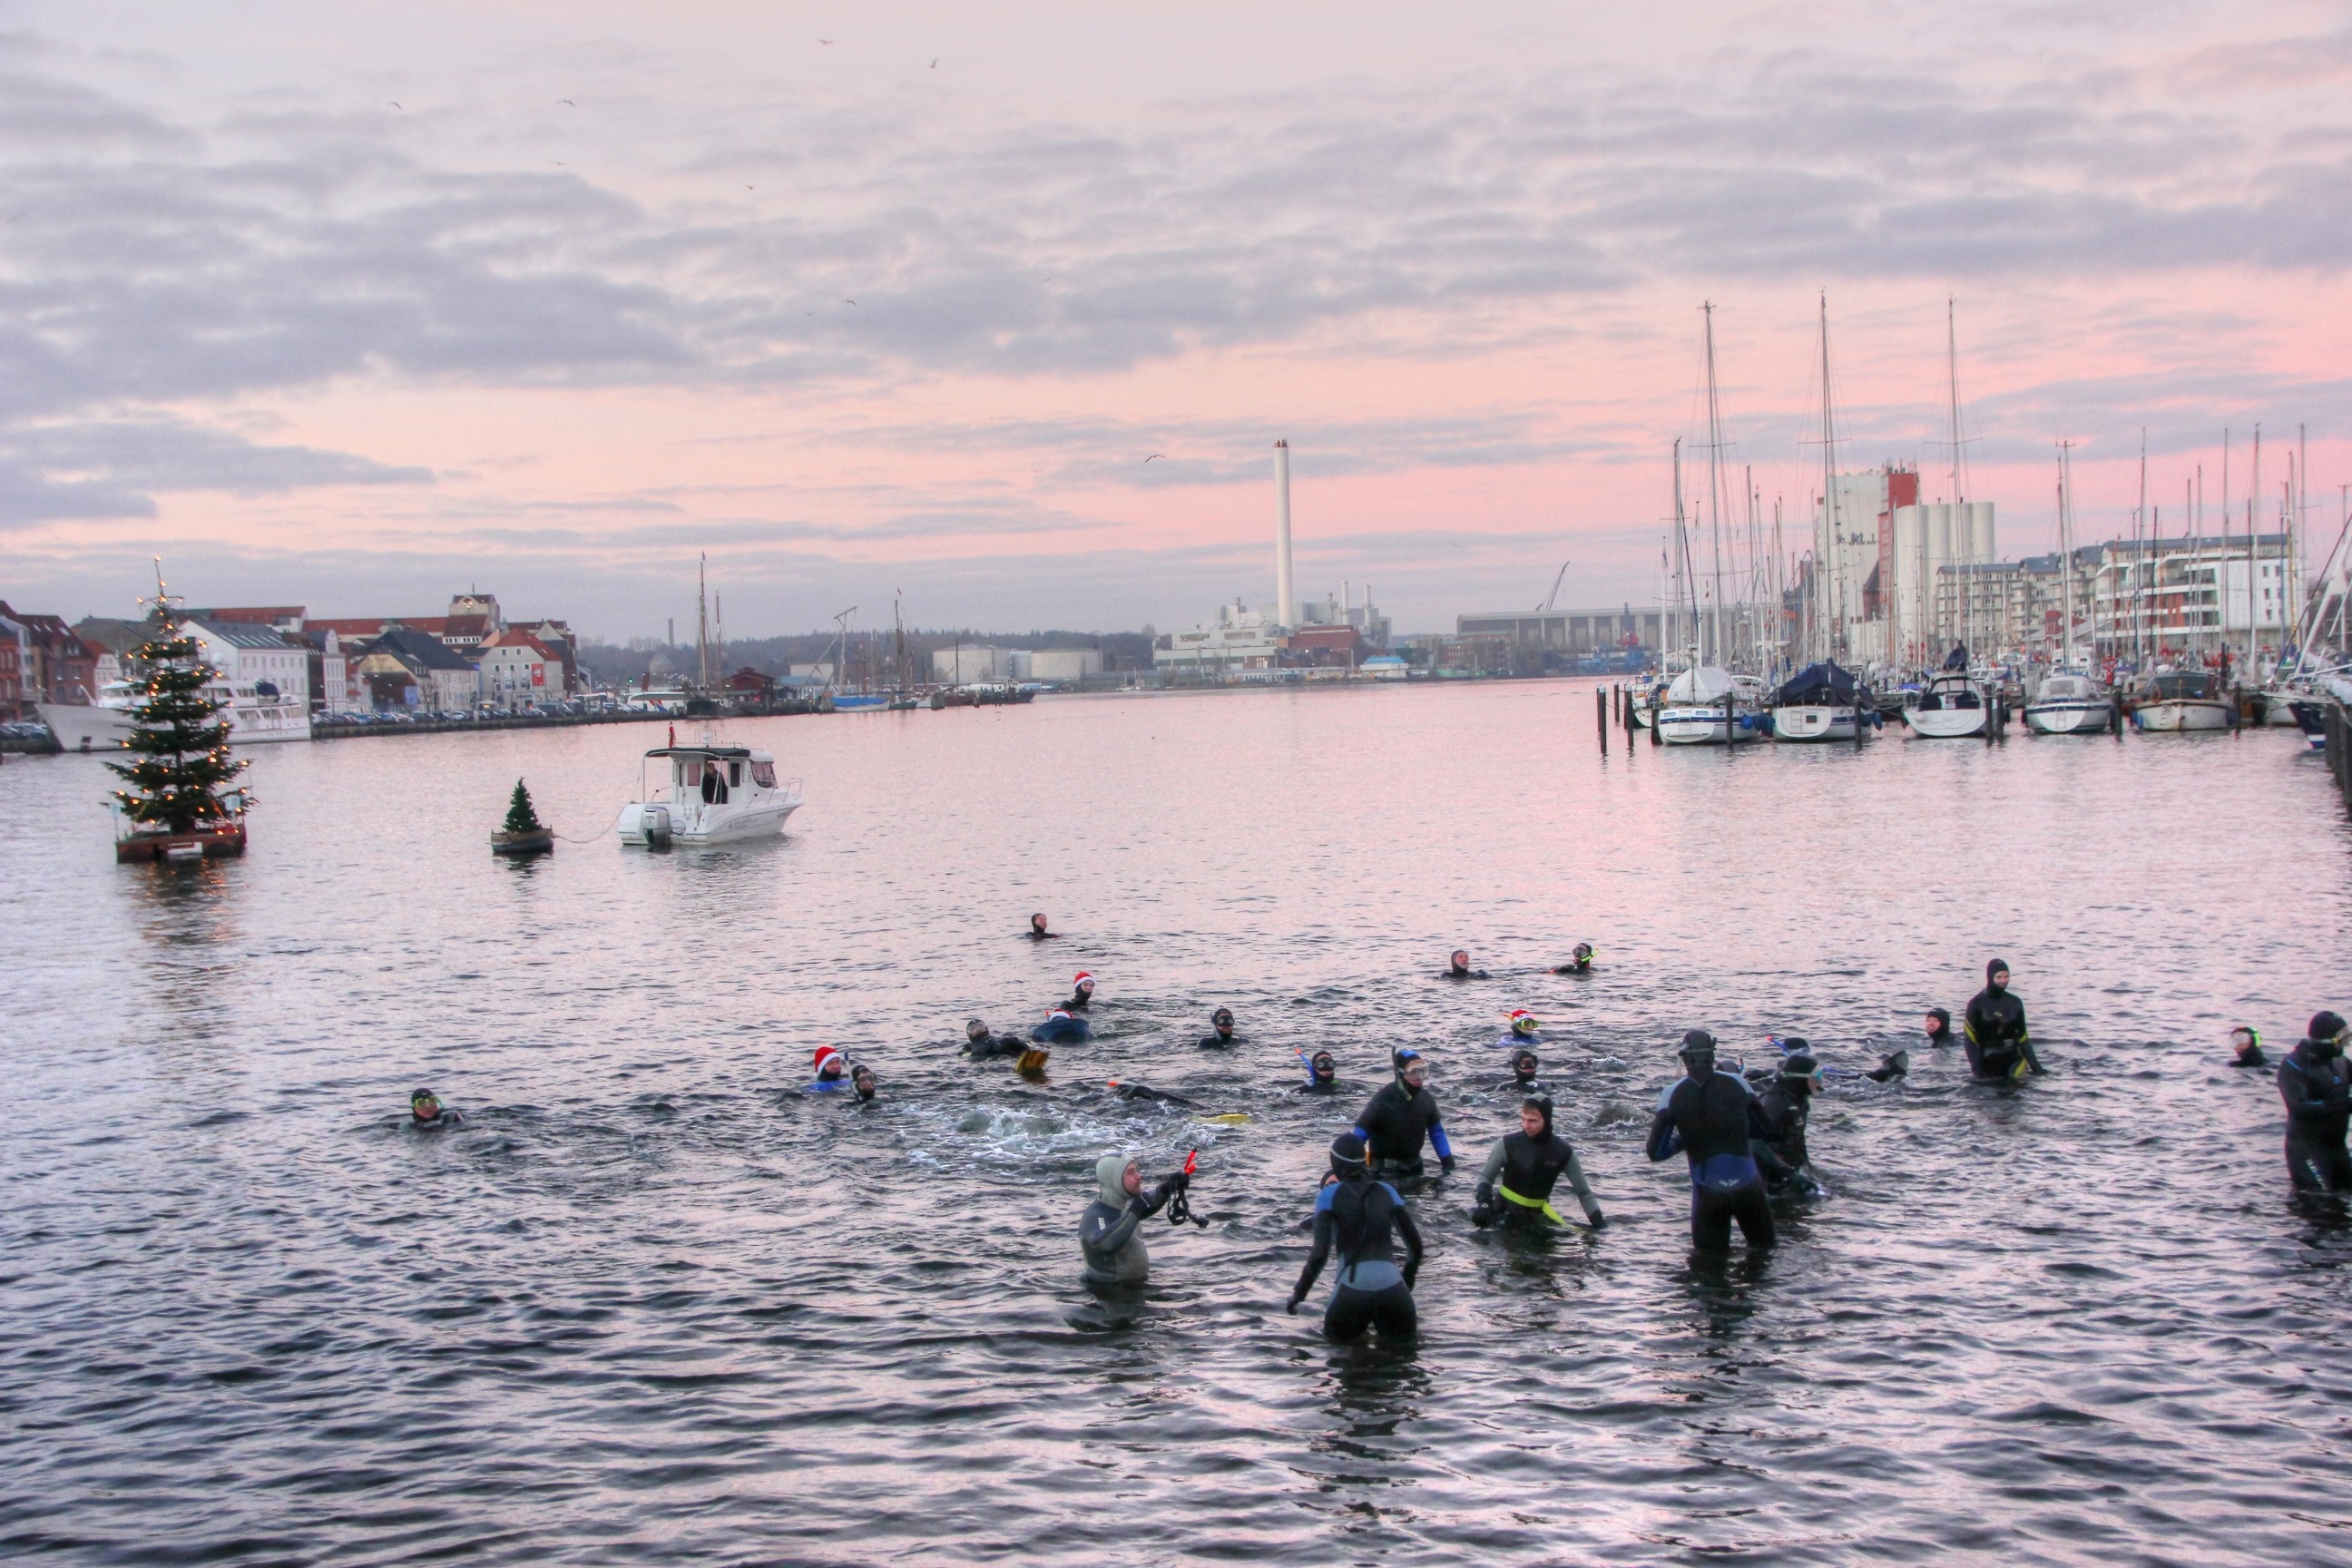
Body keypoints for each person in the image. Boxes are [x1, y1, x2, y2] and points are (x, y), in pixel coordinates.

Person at [1287, 1132, 1423, 1342]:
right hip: (1394, 1291)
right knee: (1403, 1363)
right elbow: (1416, 1247)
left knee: (1342, 1359)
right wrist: (1407, 1281)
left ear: (1336, 1165)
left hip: (1351, 1293)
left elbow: (1319, 1255)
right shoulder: (1388, 1191)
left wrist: (1299, 1294)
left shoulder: (1328, 1196)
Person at [1646, 1030, 1775, 1250]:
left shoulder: (1672, 1094)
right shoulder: (1738, 1083)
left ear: (1685, 1059)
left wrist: (1684, 1139)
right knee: (1764, 1255)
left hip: (1709, 1193)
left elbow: (1656, 1153)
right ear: (1712, 1056)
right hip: (1748, 1188)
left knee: (1709, 1271)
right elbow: (1767, 1131)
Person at [1472, 1095, 1604, 1231]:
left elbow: (1584, 1194)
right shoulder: (1507, 1144)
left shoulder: (1563, 1152)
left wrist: (1600, 1226)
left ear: (1546, 1120)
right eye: (1523, 1119)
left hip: (1538, 1219)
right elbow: (1486, 1177)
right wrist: (1484, 1203)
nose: (1526, 1125)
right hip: (1502, 1214)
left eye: (1532, 1121)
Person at [1078, 1153, 1188, 1287]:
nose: (1139, 1176)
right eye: (1131, 1173)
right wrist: (1135, 1211)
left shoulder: (1124, 1208)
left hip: (1134, 1289)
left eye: (1136, 1170)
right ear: (1113, 1180)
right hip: (1109, 1296)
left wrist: (1167, 1188)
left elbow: (1143, 1208)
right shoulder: (1096, 1215)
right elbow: (1102, 1242)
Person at [1353, 1048, 1455, 1181]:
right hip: (1382, 1173)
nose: (1418, 1077)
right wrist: (1353, 1171)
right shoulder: (1382, 1101)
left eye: (1422, 1071)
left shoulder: (1426, 1100)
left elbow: (1437, 1133)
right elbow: (1357, 1138)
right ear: (1400, 1074)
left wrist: (1448, 1163)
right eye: (1413, 1072)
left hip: (1415, 1170)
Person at [2280, 1012, 2352, 1192]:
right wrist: (2342, 1106)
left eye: (2347, 1038)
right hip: (2307, 1151)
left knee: (2344, 1203)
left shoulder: (2341, 1062)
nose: (2345, 1045)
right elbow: (2298, 1107)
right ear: (2324, 1042)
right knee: (2320, 1212)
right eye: (2341, 1041)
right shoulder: (2294, 1065)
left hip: (2336, 1148)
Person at [1750, 1050, 1818, 1195]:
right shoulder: (1774, 1104)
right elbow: (1755, 1146)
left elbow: (1798, 1140)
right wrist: (1788, 1175)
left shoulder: (1800, 1100)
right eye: (1816, 1076)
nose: (1820, 1081)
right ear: (1800, 1079)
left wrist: (1809, 1171)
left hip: (1789, 1174)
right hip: (1769, 1180)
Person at [1963, 959, 2043, 1082]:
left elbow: (2024, 1040)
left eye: (2006, 976)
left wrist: (2037, 1069)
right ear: (1990, 977)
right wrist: (1977, 1070)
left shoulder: (2015, 1003)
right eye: (1999, 977)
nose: (2003, 981)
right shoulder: (1976, 1004)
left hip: (2014, 1060)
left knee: (2016, 1091)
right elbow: (1969, 1043)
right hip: (1987, 1061)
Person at [962, 1017, 1028, 1059]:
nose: (978, 1029)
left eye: (980, 1026)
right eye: (972, 1029)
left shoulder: (999, 1039)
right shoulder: (968, 1046)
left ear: (986, 1028)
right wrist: (978, 1052)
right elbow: (962, 1055)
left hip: (1003, 1048)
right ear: (969, 1035)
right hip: (987, 1056)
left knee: (1015, 1042)